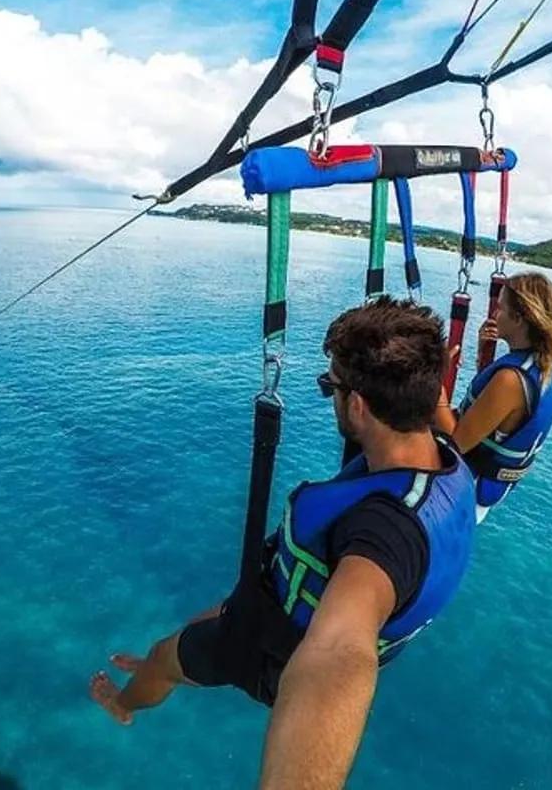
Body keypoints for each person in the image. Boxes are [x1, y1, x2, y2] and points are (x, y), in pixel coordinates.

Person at [89, 298, 477, 789]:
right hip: (274, 606)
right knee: (199, 623)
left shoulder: (384, 533)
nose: (328, 394)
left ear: (356, 404)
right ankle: (183, 648)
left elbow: (338, 650)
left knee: (165, 655)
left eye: (328, 386)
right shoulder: (447, 461)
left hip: (272, 652)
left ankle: (123, 705)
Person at [435, 272, 552, 523]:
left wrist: (433, 388)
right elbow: (498, 412)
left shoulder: (510, 380)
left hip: (464, 492)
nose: (495, 315)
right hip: (486, 483)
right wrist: (485, 353)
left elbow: (457, 445)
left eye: (501, 309)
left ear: (518, 319)